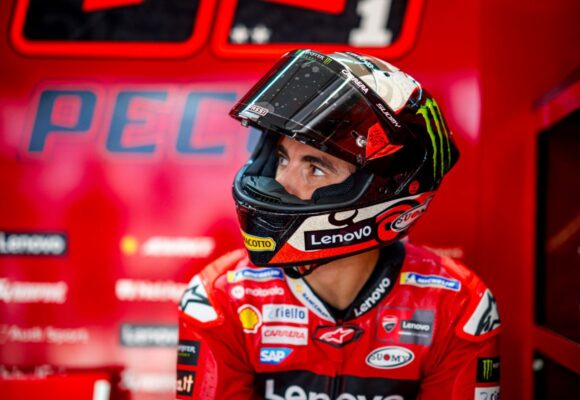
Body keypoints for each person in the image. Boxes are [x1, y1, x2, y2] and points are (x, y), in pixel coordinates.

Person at [176, 49, 501, 400]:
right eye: (281, 158)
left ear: (383, 191)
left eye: (315, 168)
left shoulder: (456, 305)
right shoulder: (223, 298)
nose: (281, 183)